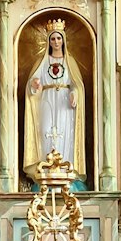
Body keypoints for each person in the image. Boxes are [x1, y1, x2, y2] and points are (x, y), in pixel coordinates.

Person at [23, 22, 86, 185]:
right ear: (49, 42)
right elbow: (33, 80)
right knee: (46, 131)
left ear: (63, 40)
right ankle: (47, 171)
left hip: (64, 100)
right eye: (53, 39)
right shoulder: (43, 61)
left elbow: (76, 83)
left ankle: (65, 172)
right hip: (47, 99)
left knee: (65, 133)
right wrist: (34, 83)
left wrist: (74, 93)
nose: (56, 42)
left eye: (59, 38)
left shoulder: (69, 61)